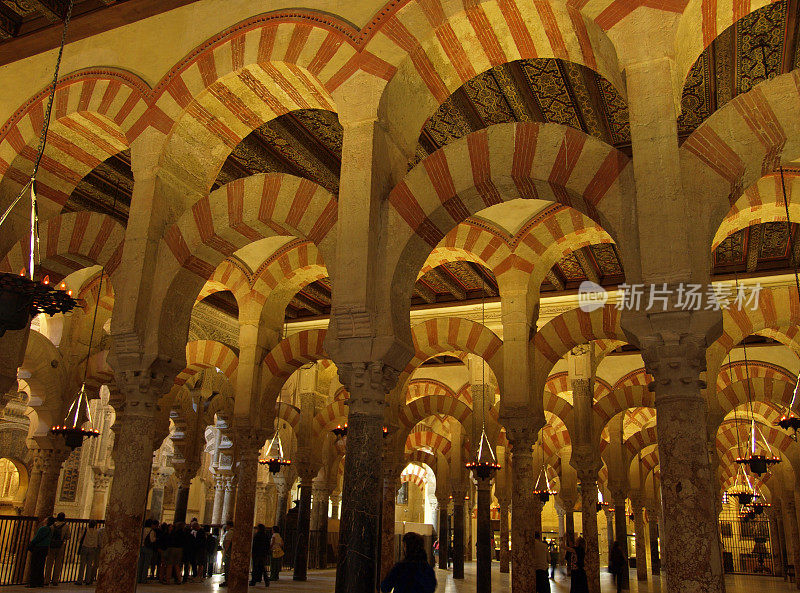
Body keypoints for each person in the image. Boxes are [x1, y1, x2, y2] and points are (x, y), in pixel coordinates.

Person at [45, 512, 71, 586]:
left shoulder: (52, 526)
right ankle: (55, 580)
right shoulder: (66, 526)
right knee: (58, 563)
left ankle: (46, 580)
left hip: (52, 545)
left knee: (49, 563)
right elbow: (68, 537)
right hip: (60, 545)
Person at [27, 517, 53, 588]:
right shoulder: (50, 529)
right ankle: (40, 582)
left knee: (34, 565)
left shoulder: (43, 528)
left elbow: (37, 538)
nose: (44, 519)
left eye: (45, 519)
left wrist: (31, 543)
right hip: (45, 548)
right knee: (41, 565)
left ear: (47, 521)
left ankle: (32, 583)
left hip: (38, 548)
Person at [76, 520, 102, 585]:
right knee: (89, 565)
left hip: (85, 547)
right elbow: (98, 541)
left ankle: (80, 580)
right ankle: (87, 580)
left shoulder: (85, 530)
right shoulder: (97, 532)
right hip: (93, 549)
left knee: (82, 564)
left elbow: (80, 539)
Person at [138, 519, 157, 584]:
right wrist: (155, 538)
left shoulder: (142, 529)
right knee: (146, 564)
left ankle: (138, 578)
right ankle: (143, 579)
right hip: (148, 548)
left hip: (141, 547)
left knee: (140, 563)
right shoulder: (151, 531)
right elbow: (152, 540)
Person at [220, 520, 234, 586]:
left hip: (229, 552)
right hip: (230, 552)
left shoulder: (230, 532)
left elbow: (227, 542)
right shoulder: (232, 531)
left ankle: (227, 581)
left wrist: (225, 552)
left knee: (227, 567)